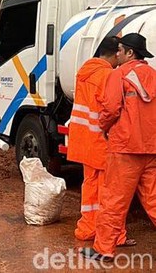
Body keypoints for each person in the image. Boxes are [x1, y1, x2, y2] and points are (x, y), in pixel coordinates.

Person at [83, 33, 156, 260]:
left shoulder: (119, 75)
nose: (117, 54)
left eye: (120, 50)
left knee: (113, 201)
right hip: (151, 148)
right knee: (153, 199)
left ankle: (103, 249)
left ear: (130, 53)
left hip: (125, 149)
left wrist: (104, 128)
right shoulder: (153, 76)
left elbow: (111, 109)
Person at [67, 36, 135, 245]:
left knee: (90, 187)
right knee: (111, 192)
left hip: (83, 141)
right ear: (116, 54)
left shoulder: (84, 72)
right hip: (102, 141)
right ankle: (113, 236)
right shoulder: (109, 75)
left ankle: (87, 229)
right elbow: (112, 109)